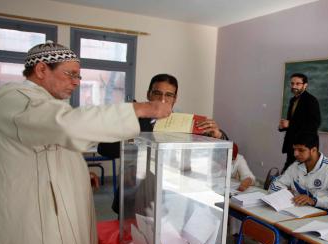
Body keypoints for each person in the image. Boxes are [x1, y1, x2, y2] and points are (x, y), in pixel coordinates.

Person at [0, 41, 172, 244]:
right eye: (70, 74)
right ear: (40, 70)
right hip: (36, 221)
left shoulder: (42, 103)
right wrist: (140, 110)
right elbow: (66, 126)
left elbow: (49, 144)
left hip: (56, 209)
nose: (76, 82)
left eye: (78, 75)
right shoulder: (17, 99)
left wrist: (79, 171)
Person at [97, 73, 229, 214]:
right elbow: (104, 149)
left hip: (171, 198)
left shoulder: (187, 124)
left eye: (169, 95)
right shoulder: (132, 120)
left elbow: (221, 151)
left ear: (175, 99)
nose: (162, 100)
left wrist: (219, 135)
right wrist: (130, 132)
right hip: (134, 195)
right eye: (157, 93)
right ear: (148, 95)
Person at [270, 132, 328, 215]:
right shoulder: (296, 166)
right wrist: (286, 194)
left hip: (323, 218)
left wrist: (314, 201)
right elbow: (275, 185)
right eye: (294, 149)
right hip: (296, 213)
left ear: (314, 150)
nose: (295, 154)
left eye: (301, 150)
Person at [278, 73, 321, 172]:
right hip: (292, 144)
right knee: (289, 173)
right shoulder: (293, 100)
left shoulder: (311, 100)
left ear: (305, 85)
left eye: (298, 84)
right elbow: (293, 121)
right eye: (292, 83)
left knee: (300, 174)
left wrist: (290, 124)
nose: (294, 86)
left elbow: (314, 124)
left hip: (305, 146)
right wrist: (283, 126)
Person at [229, 143, 257, 244]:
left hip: (230, 191)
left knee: (237, 206)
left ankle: (239, 240)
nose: (232, 161)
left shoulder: (239, 159)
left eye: (233, 159)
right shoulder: (211, 158)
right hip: (212, 191)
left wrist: (247, 180)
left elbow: (249, 176)